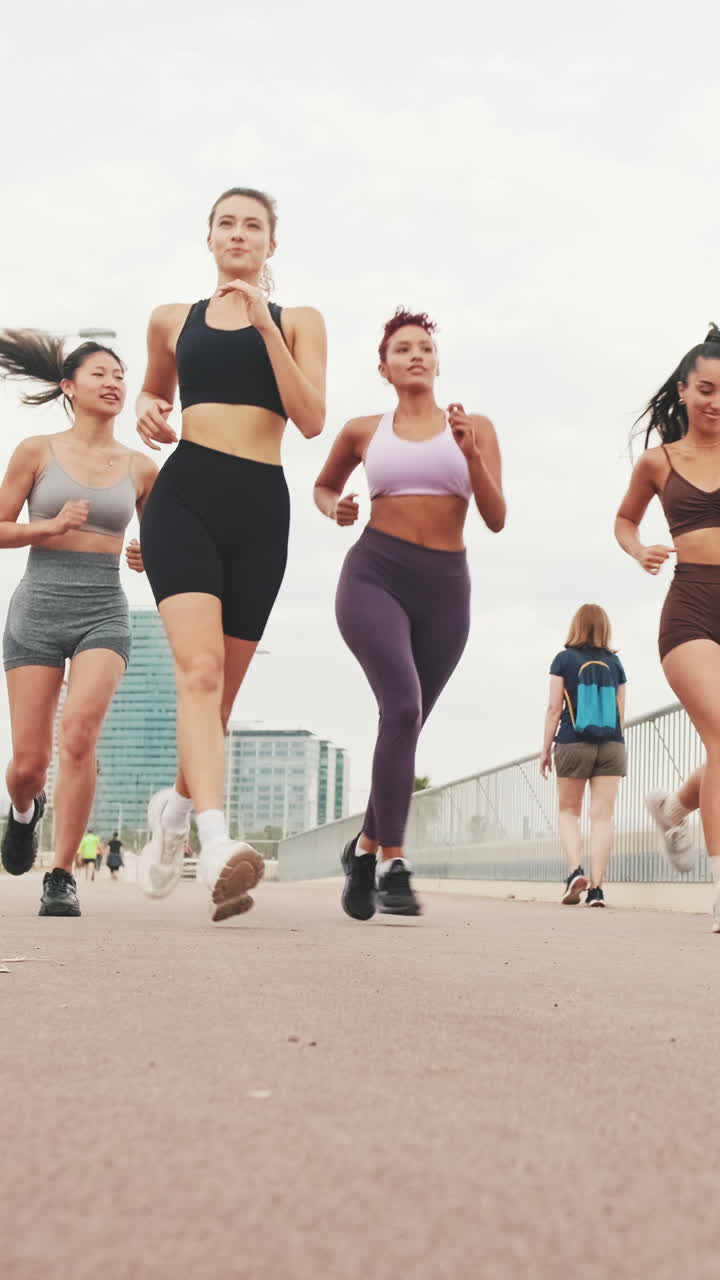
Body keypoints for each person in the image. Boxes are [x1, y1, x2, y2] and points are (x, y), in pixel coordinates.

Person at [136, 186, 327, 922]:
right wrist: (147, 409)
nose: (239, 234)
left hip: (260, 509)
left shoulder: (299, 321)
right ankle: (214, 843)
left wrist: (263, 327)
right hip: (184, 498)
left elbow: (310, 418)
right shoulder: (169, 320)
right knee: (201, 672)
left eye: (253, 226)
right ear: (209, 238)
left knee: (220, 701)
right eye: (227, 223)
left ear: (270, 244)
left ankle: (173, 817)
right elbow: (154, 396)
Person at [314, 307, 505, 921]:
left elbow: (497, 517)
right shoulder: (362, 430)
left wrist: (472, 454)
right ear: (384, 367)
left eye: (424, 346)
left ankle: (362, 851)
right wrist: (335, 509)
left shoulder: (474, 427)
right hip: (375, 575)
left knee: (408, 723)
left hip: (448, 589)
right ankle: (394, 862)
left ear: (438, 361)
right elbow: (323, 487)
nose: (416, 355)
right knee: (400, 706)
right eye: (402, 349)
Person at [0, 332, 156, 917]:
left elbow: (166, 544)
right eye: (100, 373)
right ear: (69, 386)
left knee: (81, 733)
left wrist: (149, 554)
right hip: (37, 609)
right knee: (27, 765)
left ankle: (61, 874)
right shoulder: (36, 451)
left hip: (103, 610)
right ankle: (22, 812)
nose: (114, 382)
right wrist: (47, 527)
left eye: (120, 373)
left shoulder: (142, 467)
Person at [615, 323, 720, 930]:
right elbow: (625, 521)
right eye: (704, 389)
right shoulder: (659, 462)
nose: (713, 401)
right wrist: (640, 550)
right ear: (683, 390)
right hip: (691, 612)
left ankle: (674, 809)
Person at [540, 605, 627, 907]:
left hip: (573, 742)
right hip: (612, 744)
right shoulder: (615, 664)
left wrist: (545, 750)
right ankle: (598, 889)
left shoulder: (563, 660)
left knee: (568, 812)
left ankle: (576, 871)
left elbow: (554, 709)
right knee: (602, 817)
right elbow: (621, 712)